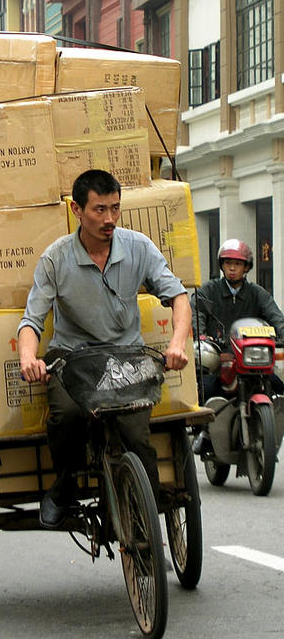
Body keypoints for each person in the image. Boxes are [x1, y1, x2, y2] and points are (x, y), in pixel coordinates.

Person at [18, 169, 191, 529]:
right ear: (76, 210)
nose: (109, 219)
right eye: (99, 210)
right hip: (72, 359)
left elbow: (178, 297)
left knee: (137, 434)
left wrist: (177, 343)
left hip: (126, 358)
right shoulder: (56, 258)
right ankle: (64, 486)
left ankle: (146, 512)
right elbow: (32, 320)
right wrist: (28, 358)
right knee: (66, 417)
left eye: (115, 208)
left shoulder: (139, 247)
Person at [191, 238, 284, 453]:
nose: (232, 268)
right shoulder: (209, 290)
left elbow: (275, 316)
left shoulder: (257, 293)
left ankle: (268, 425)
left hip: (250, 355)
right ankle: (205, 430)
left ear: (247, 267)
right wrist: (202, 336)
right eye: (228, 263)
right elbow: (197, 312)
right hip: (220, 356)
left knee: (277, 384)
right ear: (222, 265)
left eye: (238, 264)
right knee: (206, 388)